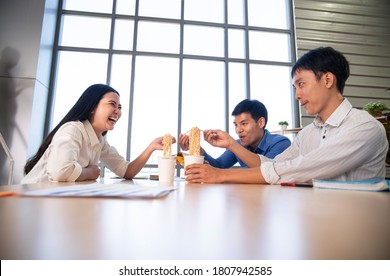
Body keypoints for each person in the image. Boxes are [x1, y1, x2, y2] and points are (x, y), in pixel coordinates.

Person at [184, 47, 388, 184]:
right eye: (295, 87)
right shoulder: (307, 134)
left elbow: (300, 168)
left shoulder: (365, 128)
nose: (297, 95)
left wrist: (221, 175)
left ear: (327, 80)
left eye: (301, 84)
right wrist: (230, 144)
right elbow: (272, 165)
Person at [22, 84, 175, 184]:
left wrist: (151, 148)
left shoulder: (99, 141)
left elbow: (126, 171)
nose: (118, 111)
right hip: (32, 201)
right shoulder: (73, 129)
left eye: (120, 107)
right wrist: (90, 172)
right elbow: (60, 172)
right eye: (112, 104)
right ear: (92, 107)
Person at [178, 99, 291, 169]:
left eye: (244, 123)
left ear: (261, 122)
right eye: (236, 125)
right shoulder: (239, 145)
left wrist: (231, 144)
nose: (238, 130)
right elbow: (220, 165)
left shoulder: (281, 143)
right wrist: (198, 149)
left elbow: (266, 171)